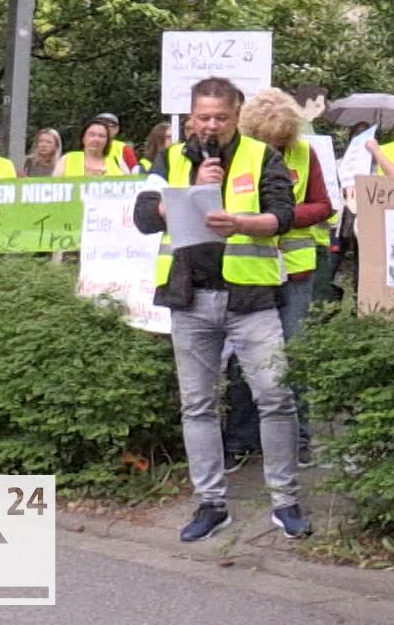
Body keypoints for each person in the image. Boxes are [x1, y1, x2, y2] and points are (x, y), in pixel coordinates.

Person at [132, 77, 310, 542]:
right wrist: (190, 192)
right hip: (189, 296)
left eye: (221, 117)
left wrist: (241, 223)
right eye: (203, 117)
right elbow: (144, 216)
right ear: (190, 118)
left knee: (275, 396)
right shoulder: (170, 159)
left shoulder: (262, 155)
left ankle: (285, 501)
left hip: (251, 298)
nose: (211, 126)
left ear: (237, 116)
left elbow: (283, 216)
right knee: (198, 405)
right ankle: (211, 504)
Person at [223, 88, 335, 467]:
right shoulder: (235, 155)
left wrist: (281, 217)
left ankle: (298, 439)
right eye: (271, 142)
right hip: (250, 269)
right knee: (244, 356)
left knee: (292, 354)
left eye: (283, 142)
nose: (278, 148)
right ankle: (240, 440)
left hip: (296, 270)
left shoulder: (304, 153)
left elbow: (324, 205)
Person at [60, 118, 131, 176]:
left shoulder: (117, 161)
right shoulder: (67, 159)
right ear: (83, 138)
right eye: (92, 135)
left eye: (102, 136)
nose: (96, 139)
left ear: (107, 141)